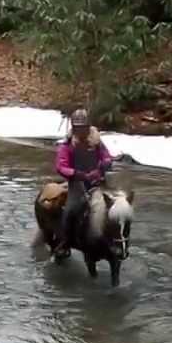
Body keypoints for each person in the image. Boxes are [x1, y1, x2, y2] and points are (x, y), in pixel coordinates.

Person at [53, 108, 114, 257]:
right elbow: (61, 166)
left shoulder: (97, 142)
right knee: (71, 210)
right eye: (78, 127)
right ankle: (65, 243)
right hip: (77, 184)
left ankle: (116, 240)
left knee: (114, 206)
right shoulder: (67, 145)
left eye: (84, 127)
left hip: (98, 182)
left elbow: (106, 156)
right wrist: (76, 173)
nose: (81, 131)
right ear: (74, 128)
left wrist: (104, 165)